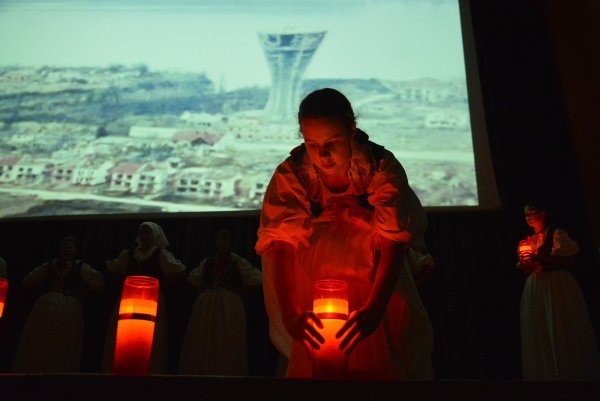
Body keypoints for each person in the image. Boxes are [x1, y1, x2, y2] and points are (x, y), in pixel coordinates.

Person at [255, 88, 434, 380]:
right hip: (314, 284)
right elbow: (282, 245)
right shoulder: (292, 174)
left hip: (371, 279)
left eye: (332, 143)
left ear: (352, 129)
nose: (322, 155)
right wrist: (290, 312)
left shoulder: (379, 166)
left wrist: (375, 308)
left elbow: (392, 241)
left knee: (375, 364)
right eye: (312, 144)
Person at [517, 201, 600, 381]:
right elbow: (528, 267)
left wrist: (538, 257)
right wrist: (527, 264)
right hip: (538, 285)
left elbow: (569, 262)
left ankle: (570, 375)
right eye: (526, 215)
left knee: (562, 323)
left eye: (531, 213)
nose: (528, 218)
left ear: (542, 214)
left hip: (557, 284)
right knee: (541, 326)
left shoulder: (556, 234)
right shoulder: (528, 241)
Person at [102, 221, 186, 374]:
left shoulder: (160, 254)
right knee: (125, 334)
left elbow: (179, 271)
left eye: (147, 232)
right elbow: (113, 268)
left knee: (148, 335)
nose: (144, 236)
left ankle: (148, 369)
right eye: (142, 232)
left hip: (151, 300)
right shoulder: (129, 254)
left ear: (154, 235)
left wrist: (161, 286)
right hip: (129, 299)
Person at [11, 236, 104, 373]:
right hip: (46, 306)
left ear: (75, 250)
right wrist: (43, 291)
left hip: (69, 308)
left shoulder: (80, 267)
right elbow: (28, 280)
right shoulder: (50, 265)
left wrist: (82, 294)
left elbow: (99, 282)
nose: (66, 251)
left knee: (64, 340)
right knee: (42, 338)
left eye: (69, 247)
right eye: (63, 247)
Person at [179, 229, 262, 376]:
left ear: (231, 243)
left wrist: (239, 290)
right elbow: (193, 278)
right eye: (219, 239)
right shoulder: (209, 261)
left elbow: (256, 278)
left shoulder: (237, 262)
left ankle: (226, 371)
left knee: (227, 336)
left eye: (225, 239)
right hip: (207, 303)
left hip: (229, 304)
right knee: (205, 334)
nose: (222, 243)